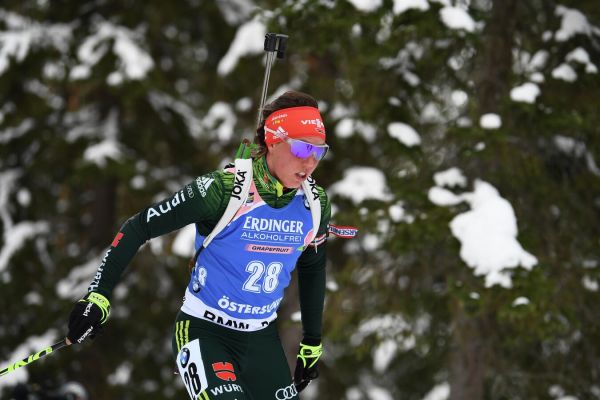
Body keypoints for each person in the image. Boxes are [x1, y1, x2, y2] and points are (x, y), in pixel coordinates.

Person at [66, 90, 332, 400]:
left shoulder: (314, 204)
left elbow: (313, 267)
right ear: (273, 141)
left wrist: (312, 340)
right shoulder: (222, 190)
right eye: (302, 148)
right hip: (205, 332)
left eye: (319, 151)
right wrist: (97, 295)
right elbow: (139, 226)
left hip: (262, 339)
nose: (310, 162)